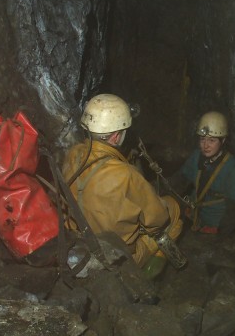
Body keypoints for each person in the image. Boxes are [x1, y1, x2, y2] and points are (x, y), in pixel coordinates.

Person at [62, 93, 184, 278]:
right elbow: (157, 220)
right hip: (115, 258)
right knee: (173, 209)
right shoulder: (125, 174)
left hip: (79, 245)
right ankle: (148, 275)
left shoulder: (73, 154)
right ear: (116, 137)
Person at [169, 111, 235, 235]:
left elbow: (234, 209)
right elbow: (179, 181)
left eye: (212, 140)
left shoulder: (232, 169)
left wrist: (220, 231)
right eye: (202, 139)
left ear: (223, 140)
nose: (205, 145)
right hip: (192, 217)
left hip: (213, 227)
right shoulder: (197, 156)